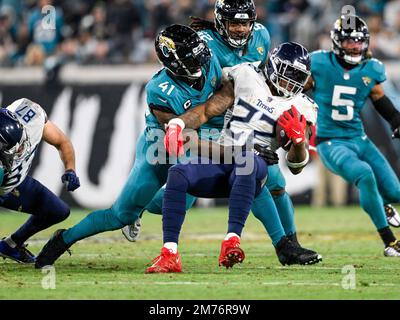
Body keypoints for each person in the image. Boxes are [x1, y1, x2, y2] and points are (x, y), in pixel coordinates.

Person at [123, 0, 314, 259]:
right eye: (234, 22)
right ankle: (134, 209)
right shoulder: (204, 44)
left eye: (245, 22)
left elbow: (259, 78)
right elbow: (184, 75)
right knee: (186, 195)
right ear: (221, 22)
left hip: (241, 117)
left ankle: (289, 244)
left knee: (275, 183)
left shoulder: (261, 36)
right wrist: (183, 119)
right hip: (208, 120)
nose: (240, 29)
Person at [34, 24, 230, 268]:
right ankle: (63, 239)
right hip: (158, 148)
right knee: (120, 215)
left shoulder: (210, 63)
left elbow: (221, 97)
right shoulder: (160, 89)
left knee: (178, 200)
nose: (200, 64)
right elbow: (182, 136)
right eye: (192, 60)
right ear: (173, 63)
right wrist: (225, 152)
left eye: (200, 57)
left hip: (191, 142)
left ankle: (141, 207)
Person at [147, 42, 322, 273]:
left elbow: (296, 165)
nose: (291, 81)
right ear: (272, 65)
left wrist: (299, 142)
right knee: (177, 173)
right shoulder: (246, 74)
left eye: (298, 76)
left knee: (249, 163)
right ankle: (169, 253)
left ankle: (232, 242)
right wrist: (179, 123)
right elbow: (209, 109)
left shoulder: (303, 105)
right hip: (224, 155)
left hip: (256, 162)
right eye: (288, 73)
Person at [307, 14, 400, 256]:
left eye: (359, 41)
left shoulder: (371, 68)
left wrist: (395, 120)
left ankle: (383, 204)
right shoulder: (318, 63)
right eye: (349, 41)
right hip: (330, 141)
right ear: (337, 42)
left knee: (395, 192)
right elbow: (296, 89)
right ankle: (389, 241)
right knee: (364, 174)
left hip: (360, 139)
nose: (355, 46)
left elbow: (379, 97)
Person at [0, 98, 80, 263]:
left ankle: (11, 245)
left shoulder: (31, 118)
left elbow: (62, 142)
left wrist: (70, 169)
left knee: (58, 210)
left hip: (16, 183)